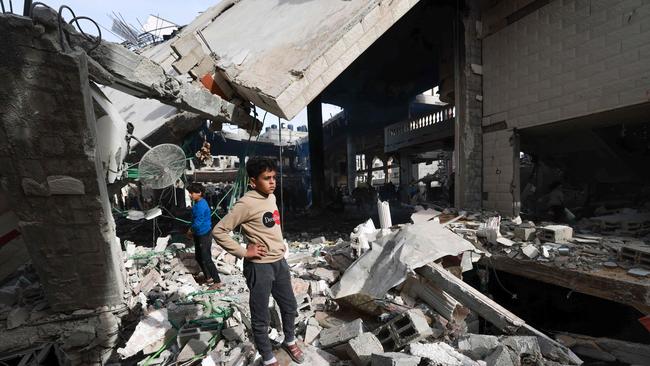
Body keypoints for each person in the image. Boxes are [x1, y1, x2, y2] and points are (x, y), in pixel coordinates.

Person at [212, 157, 303, 366]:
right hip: (259, 267)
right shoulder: (245, 203)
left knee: (289, 306)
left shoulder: (270, 197)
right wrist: (244, 251)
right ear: (253, 182)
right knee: (261, 316)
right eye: (266, 178)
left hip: (279, 263)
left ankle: (290, 341)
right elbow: (219, 231)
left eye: (274, 177)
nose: (272, 182)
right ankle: (268, 358)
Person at [187, 183, 222, 290]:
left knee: (206, 258)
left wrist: (190, 231)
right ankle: (208, 277)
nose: (190, 195)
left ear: (199, 193)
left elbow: (198, 222)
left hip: (204, 234)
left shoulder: (201, 205)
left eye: (192, 193)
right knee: (198, 256)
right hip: (199, 233)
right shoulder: (198, 203)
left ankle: (217, 281)